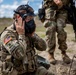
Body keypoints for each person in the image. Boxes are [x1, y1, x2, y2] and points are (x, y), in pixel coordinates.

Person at [0, 4, 54, 75]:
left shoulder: (28, 32)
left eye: (32, 18)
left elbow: (43, 47)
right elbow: (19, 55)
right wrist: (21, 34)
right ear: (18, 17)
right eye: (28, 18)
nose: (31, 21)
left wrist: (32, 36)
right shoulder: (7, 35)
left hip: (31, 70)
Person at [42, 0, 71, 64]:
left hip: (63, 8)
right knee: (51, 28)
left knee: (60, 29)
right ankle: (50, 53)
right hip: (50, 6)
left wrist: (62, 2)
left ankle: (64, 53)